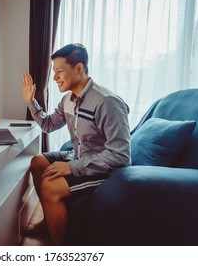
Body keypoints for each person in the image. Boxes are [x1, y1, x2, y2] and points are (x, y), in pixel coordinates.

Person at [21, 43, 131, 245]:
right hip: (78, 156)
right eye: (54, 72)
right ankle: (49, 220)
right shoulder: (67, 100)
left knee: (50, 186)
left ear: (78, 68)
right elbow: (47, 125)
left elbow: (121, 156)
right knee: (38, 162)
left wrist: (71, 167)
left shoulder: (107, 102)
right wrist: (30, 101)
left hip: (104, 170)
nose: (54, 77)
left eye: (59, 71)